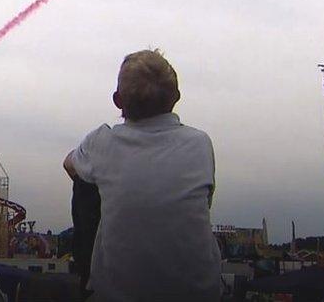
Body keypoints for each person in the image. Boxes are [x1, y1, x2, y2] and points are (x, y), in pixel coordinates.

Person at [63, 50, 221, 302]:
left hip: (118, 295)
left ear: (118, 100)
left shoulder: (102, 142)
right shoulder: (200, 144)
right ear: (176, 97)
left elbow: (69, 164)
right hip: (199, 294)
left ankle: (88, 284)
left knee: (86, 184)